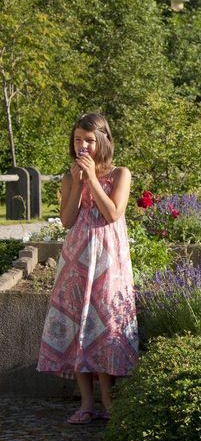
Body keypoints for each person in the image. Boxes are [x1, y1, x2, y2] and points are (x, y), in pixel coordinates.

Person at [37, 113, 139, 424]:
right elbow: (67, 220)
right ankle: (85, 404)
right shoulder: (70, 177)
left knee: (105, 325)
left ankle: (109, 403)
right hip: (76, 259)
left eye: (90, 140)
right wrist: (78, 183)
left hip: (109, 260)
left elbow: (112, 213)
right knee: (78, 325)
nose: (83, 146)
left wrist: (93, 178)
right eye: (78, 139)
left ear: (103, 141)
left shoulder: (121, 174)